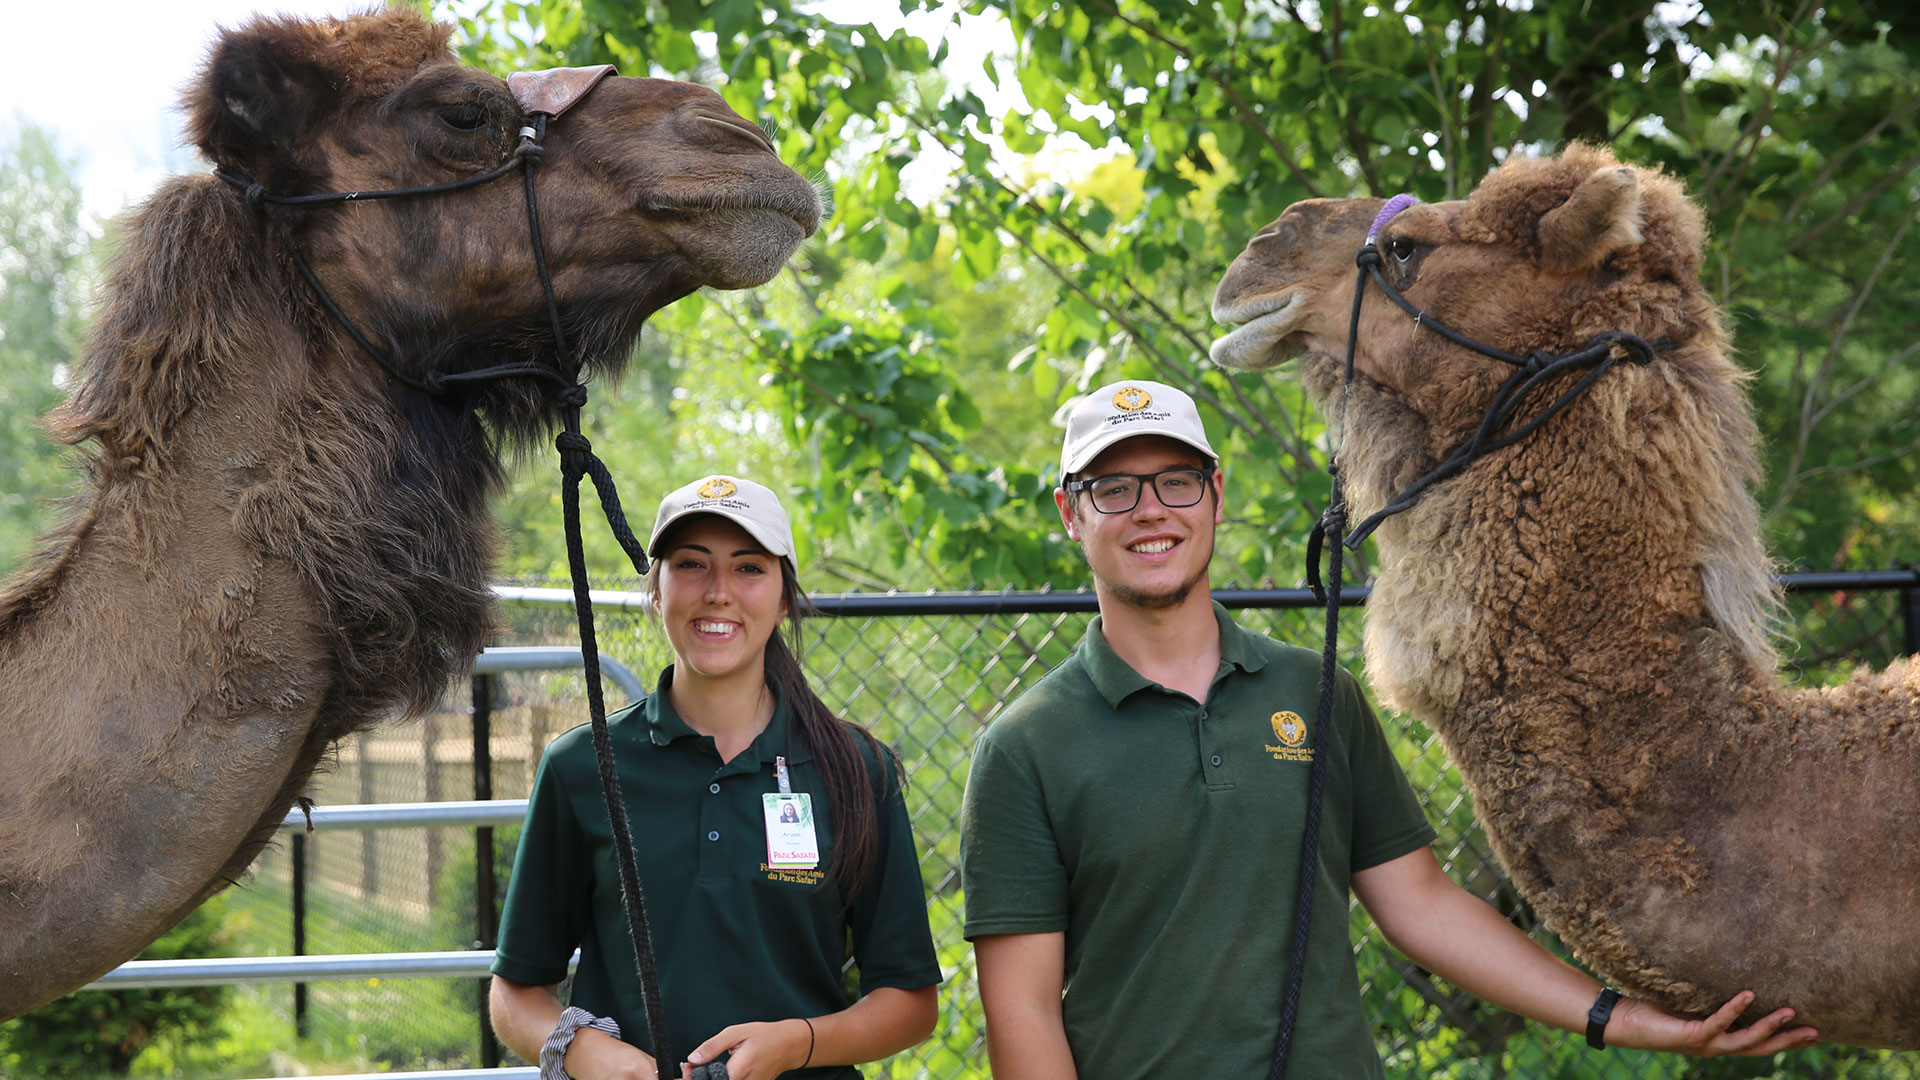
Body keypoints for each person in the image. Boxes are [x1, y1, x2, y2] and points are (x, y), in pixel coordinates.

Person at [959, 380, 1819, 1079]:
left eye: (1176, 481)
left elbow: (1422, 906)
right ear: (1073, 514)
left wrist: (1620, 1018)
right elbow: (1023, 1012)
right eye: (1114, 489)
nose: (1152, 511)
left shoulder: (1314, 691)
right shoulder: (1027, 748)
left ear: (1215, 496)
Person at [491, 475, 941, 1080]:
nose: (719, 592)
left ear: (784, 596)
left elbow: (909, 1004)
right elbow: (515, 995)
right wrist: (597, 1057)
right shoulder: (583, 765)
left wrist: (796, 1043)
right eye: (692, 565)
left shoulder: (858, 771)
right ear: (657, 591)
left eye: (749, 568)